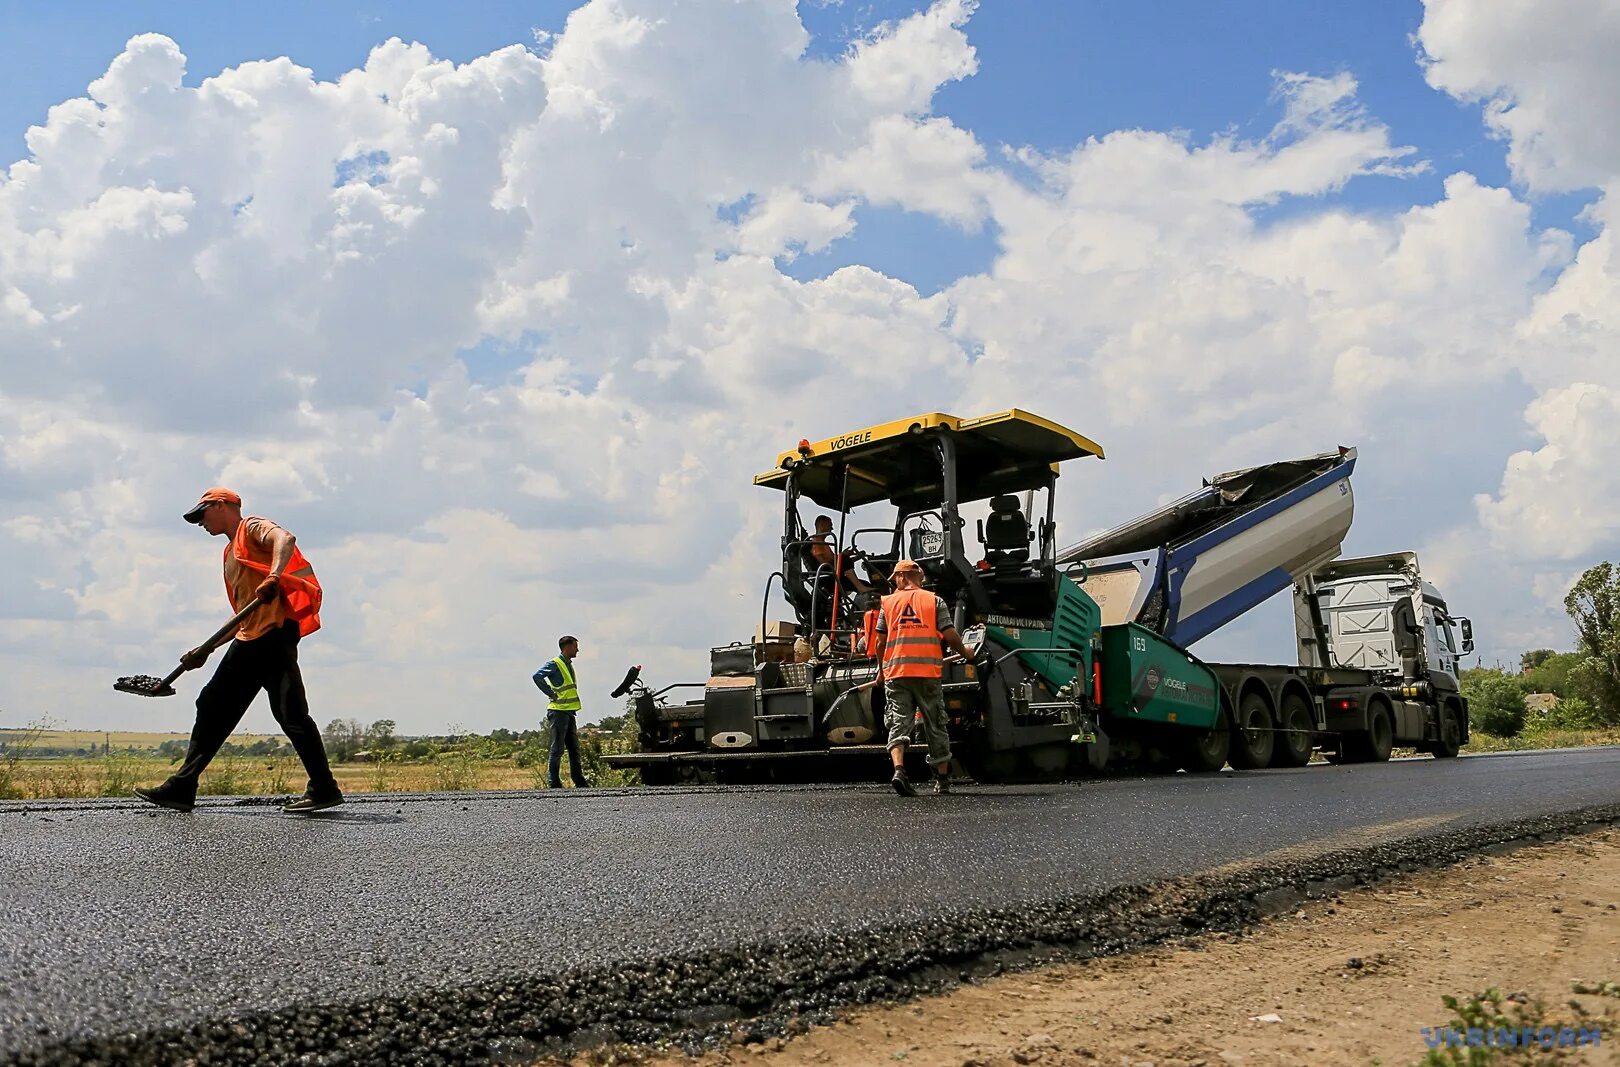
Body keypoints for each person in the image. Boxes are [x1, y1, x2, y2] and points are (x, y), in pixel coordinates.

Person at [134, 487, 342, 814]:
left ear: (222, 505)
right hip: (261, 635)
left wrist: (274, 576)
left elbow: (285, 539)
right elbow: (243, 613)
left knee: (214, 703)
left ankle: (183, 786)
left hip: (268, 636)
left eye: (203, 514)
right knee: (290, 713)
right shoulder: (229, 554)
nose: (200, 523)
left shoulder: (252, 528)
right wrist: (206, 649)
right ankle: (324, 787)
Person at [871, 559, 975, 797]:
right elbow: (950, 635)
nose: (894, 583)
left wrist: (881, 669)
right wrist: (966, 653)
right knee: (936, 724)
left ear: (903, 576)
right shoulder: (934, 601)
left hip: (897, 673)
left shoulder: (888, 603)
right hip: (927, 673)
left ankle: (899, 770)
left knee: (898, 723)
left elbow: (879, 642)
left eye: (895, 578)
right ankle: (942, 780)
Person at [532, 635, 591, 789]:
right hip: (558, 712)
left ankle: (579, 780)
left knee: (574, 749)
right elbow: (537, 676)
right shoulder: (556, 663)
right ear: (567, 647)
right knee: (557, 748)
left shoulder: (567, 664)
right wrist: (550, 693)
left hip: (569, 712)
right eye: (575, 646)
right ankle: (554, 783)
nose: (577, 649)